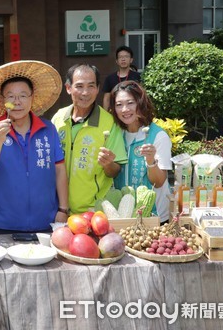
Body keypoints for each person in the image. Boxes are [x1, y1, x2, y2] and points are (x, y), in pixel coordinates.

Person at [0, 60, 69, 233]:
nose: (17, 102)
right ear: (2, 101)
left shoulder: (48, 128)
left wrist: (63, 209)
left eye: (23, 95)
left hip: (47, 221)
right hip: (6, 223)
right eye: (10, 96)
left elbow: (60, 170)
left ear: (32, 98)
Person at [51, 63, 128, 214]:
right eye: (79, 86)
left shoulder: (109, 123)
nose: (85, 92)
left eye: (91, 86)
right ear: (68, 88)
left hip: (92, 212)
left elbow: (115, 171)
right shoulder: (58, 118)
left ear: (98, 88)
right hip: (57, 208)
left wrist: (108, 164)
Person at [109, 81, 172, 223]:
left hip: (154, 218)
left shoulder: (157, 136)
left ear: (140, 103)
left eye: (130, 103)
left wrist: (151, 162)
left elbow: (159, 181)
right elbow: (113, 173)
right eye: (119, 105)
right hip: (125, 216)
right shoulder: (116, 135)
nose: (124, 109)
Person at [102, 46, 142, 110]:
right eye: (120, 57)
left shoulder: (138, 77)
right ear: (117, 61)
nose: (123, 59)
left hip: (134, 111)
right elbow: (107, 99)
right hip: (115, 111)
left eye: (126, 56)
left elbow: (142, 96)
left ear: (131, 60)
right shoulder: (109, 78)